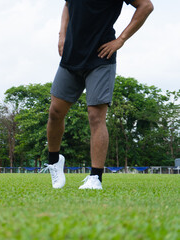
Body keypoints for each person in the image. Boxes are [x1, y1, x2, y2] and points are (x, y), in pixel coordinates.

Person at [45, 0, 154, 189]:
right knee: (55, 112)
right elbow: (67, 5)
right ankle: (54, 161)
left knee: (96, 116)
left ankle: (95, 177)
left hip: (101, 57)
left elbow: (146, 6)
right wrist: (62, 35)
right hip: (71, 55)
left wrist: (120, 40)